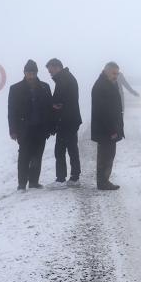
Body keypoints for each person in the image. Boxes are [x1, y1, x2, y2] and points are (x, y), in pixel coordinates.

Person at [8, 59, 53, 191]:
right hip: (24, 129)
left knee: (37, 155)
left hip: (41, 128)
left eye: (33, 72)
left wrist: (50, 127)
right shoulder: (15, 88)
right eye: (28, 72)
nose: (31, 75)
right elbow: (12, 111)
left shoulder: (45, 87)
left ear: (37, 72)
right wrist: (13, 130)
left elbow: (49, 109)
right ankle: (22, 184)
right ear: (24, 72)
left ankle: (34, 182)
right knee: (23, 156)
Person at [46, 58, 82, 188]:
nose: (50, 74)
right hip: (70, 120)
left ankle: (61, 179)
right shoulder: (67, 78)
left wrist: (53, 104)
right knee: (72, 149)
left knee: (60, 150)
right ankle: (74, 178)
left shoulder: (63, 80)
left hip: (66, 120)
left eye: (51, 71)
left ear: (57, 68)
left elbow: (59, 101)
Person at [91, 62, 124, 190]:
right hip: (105, 129)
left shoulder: (109, 83)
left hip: (107, 128)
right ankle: (103, 182)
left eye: (117, 73)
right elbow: (103, 111)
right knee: (105, 156)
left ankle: (104, 181)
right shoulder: (101, 86)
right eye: (114, 73)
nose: (116, 76)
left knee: (108, 155)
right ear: (106, 71)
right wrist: (112, 130)